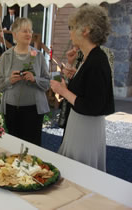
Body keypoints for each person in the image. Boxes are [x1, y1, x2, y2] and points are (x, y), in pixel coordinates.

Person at [50, 5, 115, 171]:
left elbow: (92, 105)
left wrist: (63, 91)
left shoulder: (97, 61)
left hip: (86, 129)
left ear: (85, 30)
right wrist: (72, 71)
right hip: (80, 124)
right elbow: (86, 89)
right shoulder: (89, 58)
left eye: (72, 27)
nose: (70, 32)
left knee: (80, 172)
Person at [0, 18, 50, 146]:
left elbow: (47, 83)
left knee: (32, 147)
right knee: (13, 146)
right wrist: (9, 80)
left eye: (30, 31)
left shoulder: (38, 56)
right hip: (11, 110)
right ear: (15, 34)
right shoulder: (6, 56)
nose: (29, 34)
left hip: (34, 111)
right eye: (25, 31)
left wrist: (35, 79)